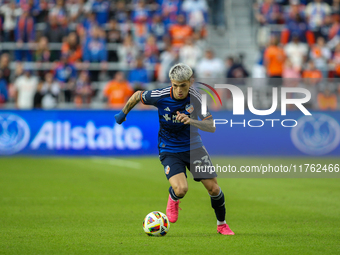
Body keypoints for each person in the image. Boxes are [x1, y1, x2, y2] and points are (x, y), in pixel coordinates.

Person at [114, 63, 234, 235]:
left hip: (194, 147)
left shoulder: (197, 98)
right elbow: (137, 96)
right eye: (175, 85)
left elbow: (211, 126)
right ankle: (174, 197)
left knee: (214, 189)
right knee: (181, 189)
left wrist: (192, 121)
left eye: (183, 86)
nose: (179, 90)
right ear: (171, 82)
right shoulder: (160, 95)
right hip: (169, 148)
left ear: (190, 82)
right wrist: (122, 114)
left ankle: (221, 224)